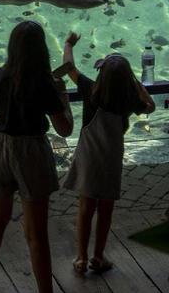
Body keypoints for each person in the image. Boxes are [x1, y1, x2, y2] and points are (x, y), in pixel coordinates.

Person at [0, 20, 75, 293]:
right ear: (41, 50)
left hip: (0, 148)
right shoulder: (44, 83)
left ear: (11, 48)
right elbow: (65, 129)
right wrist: (64, 97)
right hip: (31, 151)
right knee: (36, 233)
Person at [62, 33, 155, 275]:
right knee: (105, 210)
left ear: (101, 74)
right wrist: (138, 85)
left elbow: (70, 68)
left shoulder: (91, 92)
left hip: (88, 157)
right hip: (111, 160)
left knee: (85, 207)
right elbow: (150, 106)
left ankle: (81, 258)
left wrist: (69, 44)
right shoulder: (128, 101)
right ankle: (99, 255)